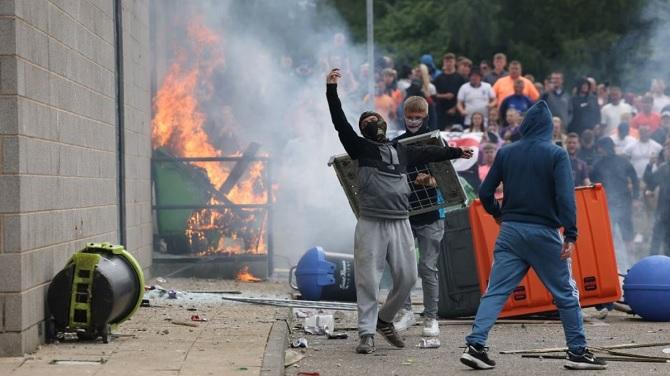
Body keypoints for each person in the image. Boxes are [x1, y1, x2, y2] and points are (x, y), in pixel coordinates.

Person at [325, 68, 473, 354]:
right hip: (372, 222)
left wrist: (456, 152)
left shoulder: (399, 150)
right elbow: (339, 122)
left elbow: (430, 152)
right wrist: (331, 91)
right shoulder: (360, 148)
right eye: (366, 121)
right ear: (362, 130)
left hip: (401, 222)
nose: (372, 122)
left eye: (375, 118)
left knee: (407, 277)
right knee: (368, 278)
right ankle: (366, 334)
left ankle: (384, 319)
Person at [460, 101, 607, 371]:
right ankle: (577, 352)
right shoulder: (556, 154)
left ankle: (475, 346)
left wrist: (497, 213)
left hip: (510, 232)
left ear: (525, 125)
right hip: (543, 233)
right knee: (566, 293)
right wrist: (571, 233)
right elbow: (566, 197)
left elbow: (484, 193)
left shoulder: (507, 152)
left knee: (495, 292)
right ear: (549, 128)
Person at [392, 96, 453, 338]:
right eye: (410, 116)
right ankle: (405, 312)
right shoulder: (396, 145)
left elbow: (449, 182)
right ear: (403, 116)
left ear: (425, 116)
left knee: (427, 267)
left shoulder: (437, 142)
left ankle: (431, 317)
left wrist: (432, 181)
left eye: (418, 117)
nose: (414, 121)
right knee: (402, 267)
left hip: (431, 214)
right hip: (405, 214)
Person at [590, 137, 639, 272]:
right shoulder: (598, 164)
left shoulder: (622, 161)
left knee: (627, 235)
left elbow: (635, 180)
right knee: (609, 236)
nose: (599, 150)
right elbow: (592, 183)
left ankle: (632, 265)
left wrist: (635, 198)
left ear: (604, 147)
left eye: (600, 147)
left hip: (623, 203)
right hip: (607, 205)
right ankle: (612, 267)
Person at [644, 140, 670, 256]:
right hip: (663, 213)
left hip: (664, 212)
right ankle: (653, 267)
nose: (666, 152)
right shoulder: (664, 168)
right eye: (665, 149)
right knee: (657, 241)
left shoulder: (665, 168)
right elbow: (650, 182)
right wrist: (650, 165)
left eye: (668, 149)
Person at [434, 53, 467, 129]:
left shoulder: (460, 78)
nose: (448, 64)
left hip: (456, 112)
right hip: (441, 112)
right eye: (446, 61)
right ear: (444, 63)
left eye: (450, 61)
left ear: (454, 62)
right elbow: (433, 95)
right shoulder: (438, 79)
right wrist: (444, 96)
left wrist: (455, 108)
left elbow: (464, 97)